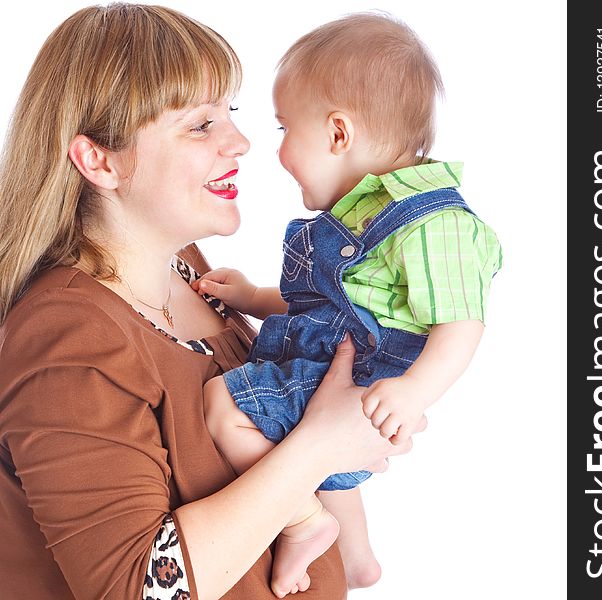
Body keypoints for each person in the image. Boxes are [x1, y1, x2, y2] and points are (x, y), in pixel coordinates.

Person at [0, 5, 421, 599]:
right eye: (201, 125)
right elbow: (136, 588)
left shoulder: (186, 269)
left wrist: (370, 413)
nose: (242, 142)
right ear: (98, 159)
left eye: (233, 114)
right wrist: (321, 445)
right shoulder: (67, 337)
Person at [196, 11, 503, 598]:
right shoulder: (363, 211)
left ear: (339, 133)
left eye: (285, 128)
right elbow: (324, 307)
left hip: (367, 381)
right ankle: (357, 558)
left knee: (223, 405)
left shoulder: (433, 224)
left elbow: (462, 323)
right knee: (317, 449)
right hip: (338, 369)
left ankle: (303, 523)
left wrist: (414, 392)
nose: (272, 146)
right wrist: (254, 298)